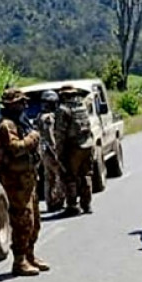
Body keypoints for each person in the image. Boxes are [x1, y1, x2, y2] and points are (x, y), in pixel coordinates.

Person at [0, 88, 49, 276]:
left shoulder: (20, 121)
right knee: (22, 221)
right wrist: (32, 139)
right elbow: (15, 148)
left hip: (28, 177)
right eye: (20, 102)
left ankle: (30, 255)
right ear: (11, 105)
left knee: (34, 221)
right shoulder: (6, 126)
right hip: (16, 181)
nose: (24, 105)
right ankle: (19, 261)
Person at [55, 87, 95, 216]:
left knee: (69, 176)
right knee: (86, 175)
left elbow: (60, 134)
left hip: (73, 148)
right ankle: (87, 204)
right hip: (87, 145)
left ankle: (72, 205)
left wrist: (59, 153)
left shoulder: (63, 110)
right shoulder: (82, 107)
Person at [36, 90, 65, 212]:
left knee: (49, 177)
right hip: (49, 150)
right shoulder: (48, 118)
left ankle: (51, 201)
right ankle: (55, 201)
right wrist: (55, 150)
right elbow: (49, 136)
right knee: (57, 175)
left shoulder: (40, 116)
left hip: (44, 150)